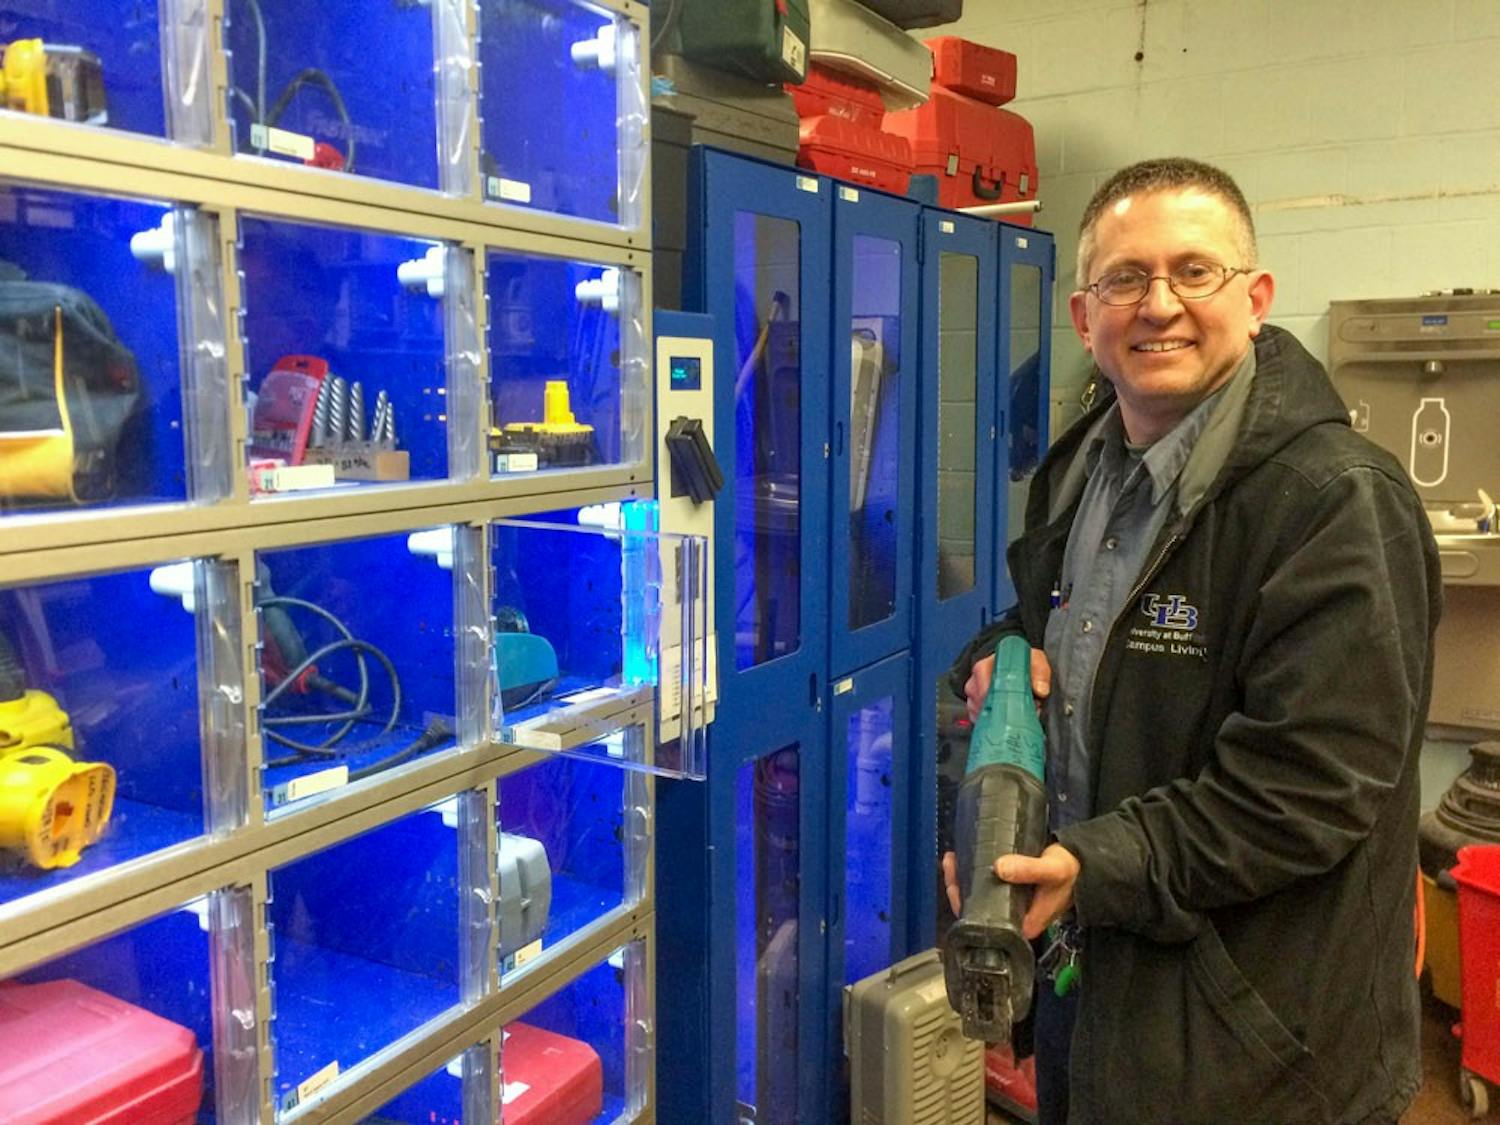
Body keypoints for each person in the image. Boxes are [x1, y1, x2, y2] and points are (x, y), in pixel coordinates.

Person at [943, 157, 1441, 1125]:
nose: (1158, 304)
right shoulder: (1082, 469)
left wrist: (1097, 867)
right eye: (1125, 278)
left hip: (1260, 1048)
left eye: (1194, 272)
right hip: (1103, 1007)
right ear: (1087, 318)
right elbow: (1044, 623)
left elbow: (1312, 783)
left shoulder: (1334, 502)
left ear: (1255, 299)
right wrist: (996, 662)